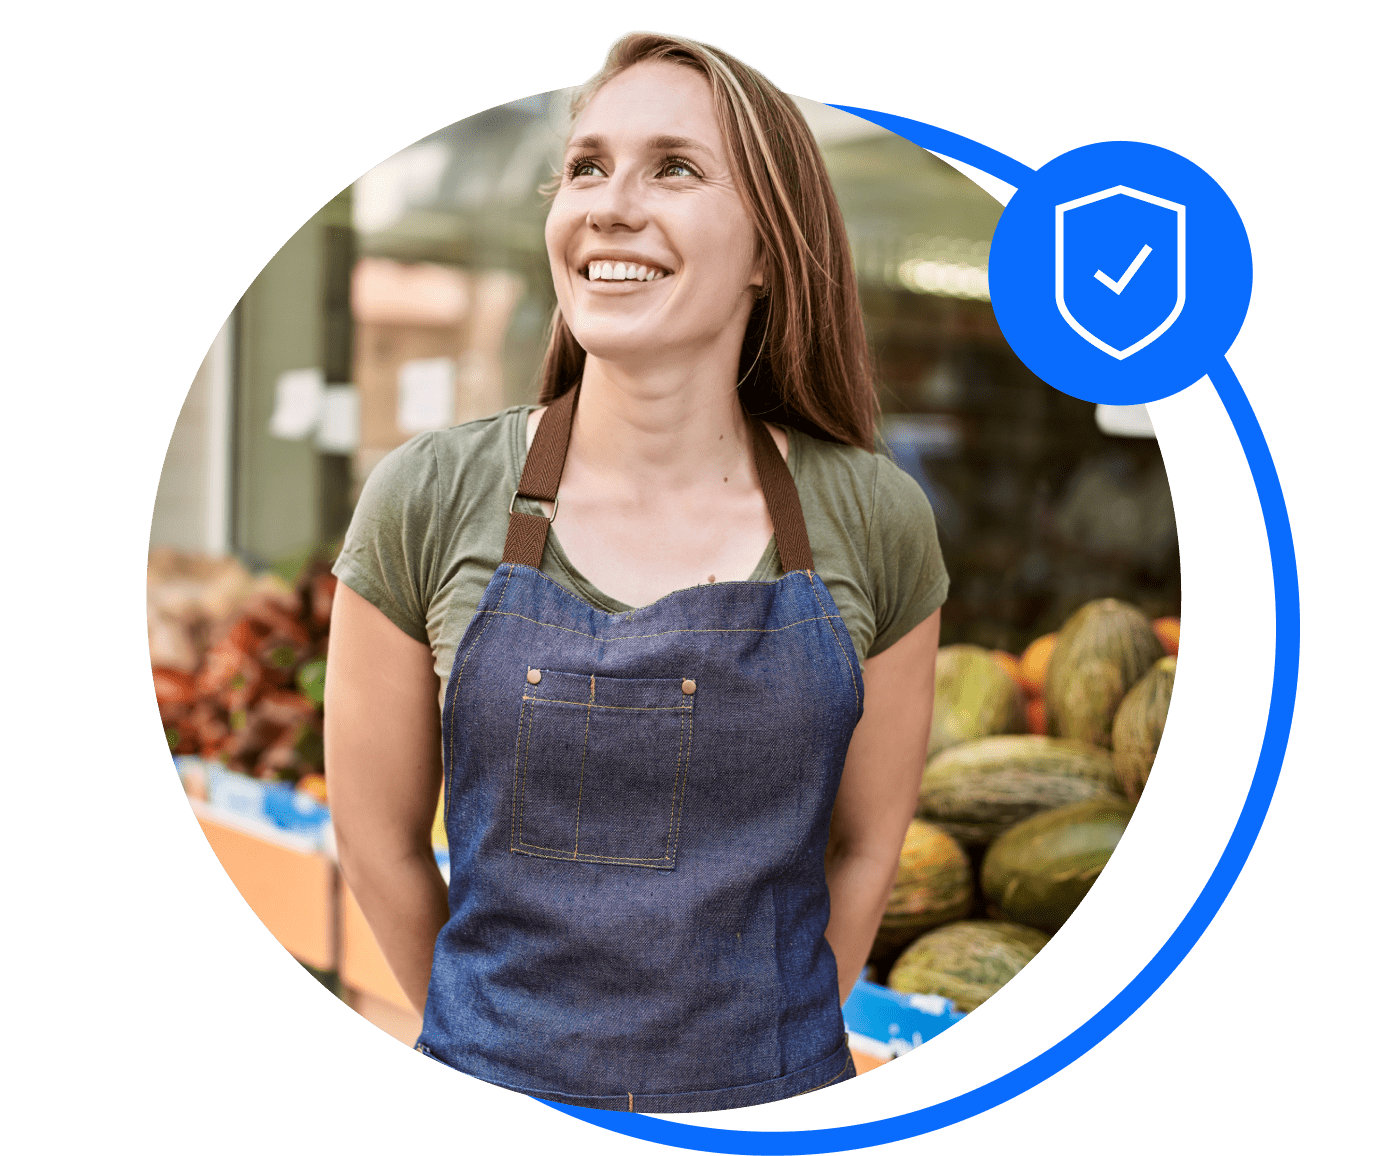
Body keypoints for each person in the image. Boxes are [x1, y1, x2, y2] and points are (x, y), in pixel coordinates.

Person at [325, 30, 947, 1112]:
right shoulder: (427, 497)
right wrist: (501, 1056)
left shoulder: (873, 517)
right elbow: (377, 842)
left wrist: (762, 1067)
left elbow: (863, 848)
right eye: (584, 166)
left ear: (768, 249)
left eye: (675, 166)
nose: (609, 204)